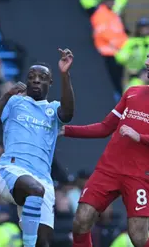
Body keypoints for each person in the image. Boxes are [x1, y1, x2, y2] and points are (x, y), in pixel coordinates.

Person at [0, 48, 75, 247]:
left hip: (43, 178)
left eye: (42, 77)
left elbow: (68, 113)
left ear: (50, 83)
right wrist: (6, 95)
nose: (36, 80)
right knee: (34, 189)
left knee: (44, 242)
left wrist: (65, 74)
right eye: (31, 76)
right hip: (12, 170)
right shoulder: (14, 102)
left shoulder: (52, 109)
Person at [59, 55, 149, 247]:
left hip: (138, 175)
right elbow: (104, 127)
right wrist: (67, 130)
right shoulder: (132, 92)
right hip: (108, 170)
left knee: (138, 237)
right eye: (148, 58)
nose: (147, 63)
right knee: (81, 221)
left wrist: (139, 137)